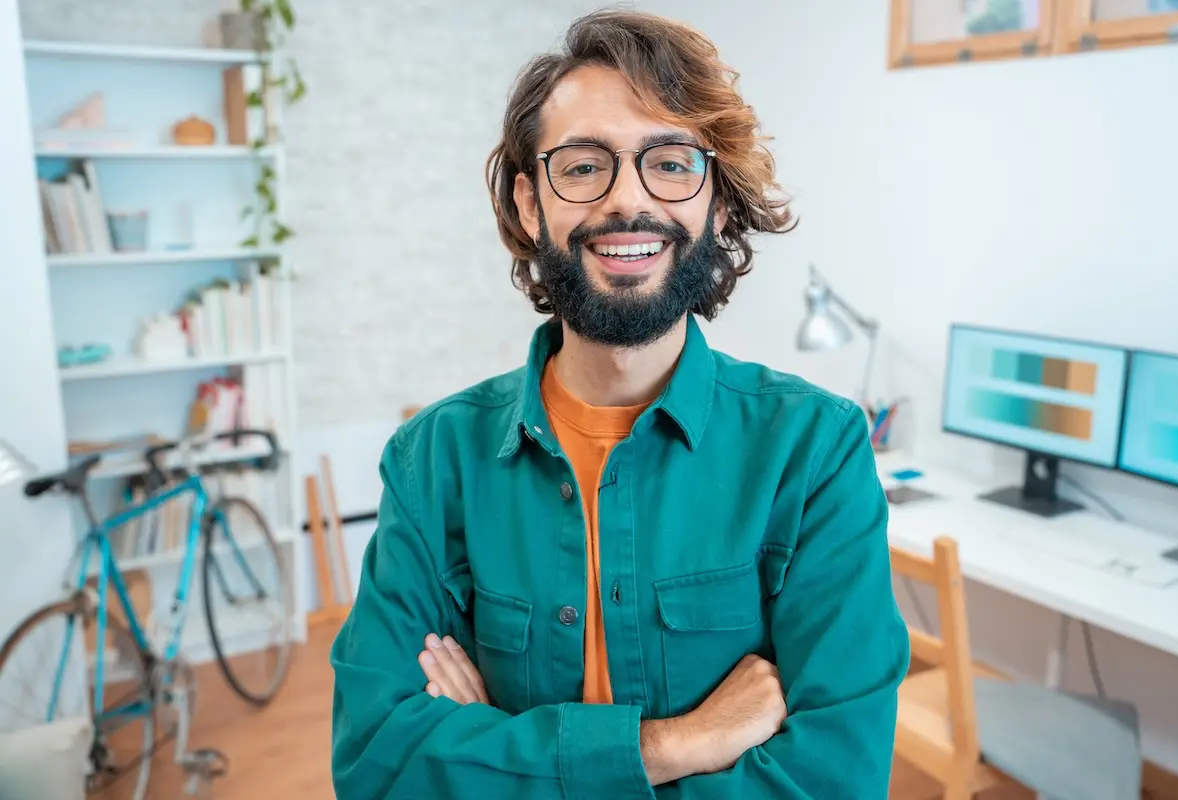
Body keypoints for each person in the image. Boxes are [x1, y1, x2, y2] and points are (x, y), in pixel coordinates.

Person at [330, 9, 910, 799]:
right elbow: (375, 763)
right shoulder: (431, 463)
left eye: (671, 163)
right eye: (582, 166)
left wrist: (493, 752)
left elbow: (834, 780)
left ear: (716, 201)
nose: (628, 201)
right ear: (533, 205)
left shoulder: (814, 454)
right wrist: (672, 747)